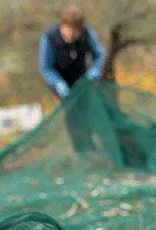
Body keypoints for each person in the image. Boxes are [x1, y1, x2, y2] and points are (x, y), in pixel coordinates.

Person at [38, 6, 105, 152]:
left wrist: (94, 71)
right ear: (62, 25)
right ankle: (84, 152)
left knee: (93, 113)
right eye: (67, 30)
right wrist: (58, 83)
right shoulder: (49, 37)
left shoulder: (87, 34)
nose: (70, 35)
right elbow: (45, 68)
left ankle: (100, 148)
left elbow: (99, 54)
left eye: (75, 32)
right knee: (73, 117)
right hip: (60, 83)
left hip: (83, 80)